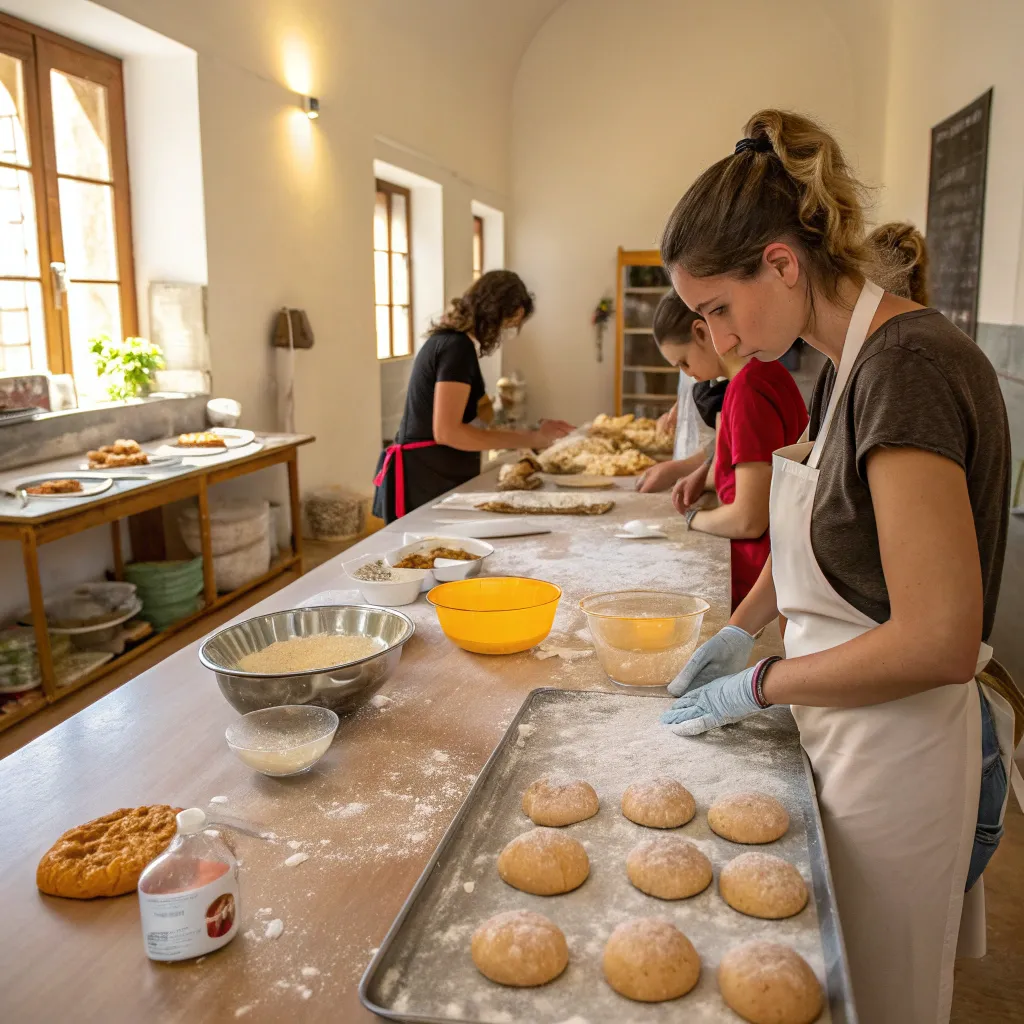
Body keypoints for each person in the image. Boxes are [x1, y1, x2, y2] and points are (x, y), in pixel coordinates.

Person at [658, 110, 1014, 1024]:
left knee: (875, 1000)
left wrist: (764, 684)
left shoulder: (911, 370)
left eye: (718, 311)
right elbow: (822, 522)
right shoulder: (848, 362)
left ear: (780, 263)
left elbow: (938, 639)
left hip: (893, 756)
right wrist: (741, 630)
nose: (722, 342)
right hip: (843, 726)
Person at [640, 292, 807, 610]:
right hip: (776, 570)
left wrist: (691, 519)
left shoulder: (746, 394)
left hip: (758, 579)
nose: (687, 373)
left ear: (701, 332)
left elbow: (748, 520)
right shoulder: (765, 372)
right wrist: (707, 472)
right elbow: (757, 459)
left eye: (684, 361)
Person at [372, 271, 573, 522]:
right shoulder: (456, 348)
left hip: (434, 474)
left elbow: (469, 423)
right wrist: (532, 438)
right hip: (425, 480)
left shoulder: (451, 343)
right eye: (507, 325)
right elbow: (448, 432)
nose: (502, 334)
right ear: (506, 312)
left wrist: (531, 432)